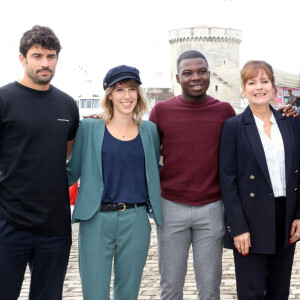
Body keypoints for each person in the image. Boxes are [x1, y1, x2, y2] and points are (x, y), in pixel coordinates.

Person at [148, 50, 297, 300]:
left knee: (210, 287)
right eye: (188, 73)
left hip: (212, 208)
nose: (196, 77)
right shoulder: (161, 111)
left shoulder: (225, 112)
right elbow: (145, 153)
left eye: (202, 71)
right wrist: (101, 119)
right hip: (171, 207)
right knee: (171, 286)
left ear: (209, 74)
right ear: (177, 78)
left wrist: (287, 113)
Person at [67, 65, 162, 300]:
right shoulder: (89, 127)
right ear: (109, 94)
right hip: (96, 219)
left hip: (136, 219)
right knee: (95, 293)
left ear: (139, 93)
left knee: (128, 293)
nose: (126, 96)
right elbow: (70, 172)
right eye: (119, 89)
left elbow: (157, 171)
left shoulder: (150, 130)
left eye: (132, 89)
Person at [0, 25, 79, 300]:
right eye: (37, 56)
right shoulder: (3, 99)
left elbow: (66, 155)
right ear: (22, 59)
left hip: (55, 227)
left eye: (51, 56)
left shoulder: (68, 105)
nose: (45, 63)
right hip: (9, 222)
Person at [219, 60, 300, 300]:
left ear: (273, 87)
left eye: (265, 81)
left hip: (285, 217)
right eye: (251, 82)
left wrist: (298, 214)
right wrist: (238, 228)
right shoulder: (233, 126)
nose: (259, 87)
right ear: (243, 89)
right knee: (251, 292)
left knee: (279, 291)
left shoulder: (292, 122)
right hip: (250, 220)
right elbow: (228, 180)